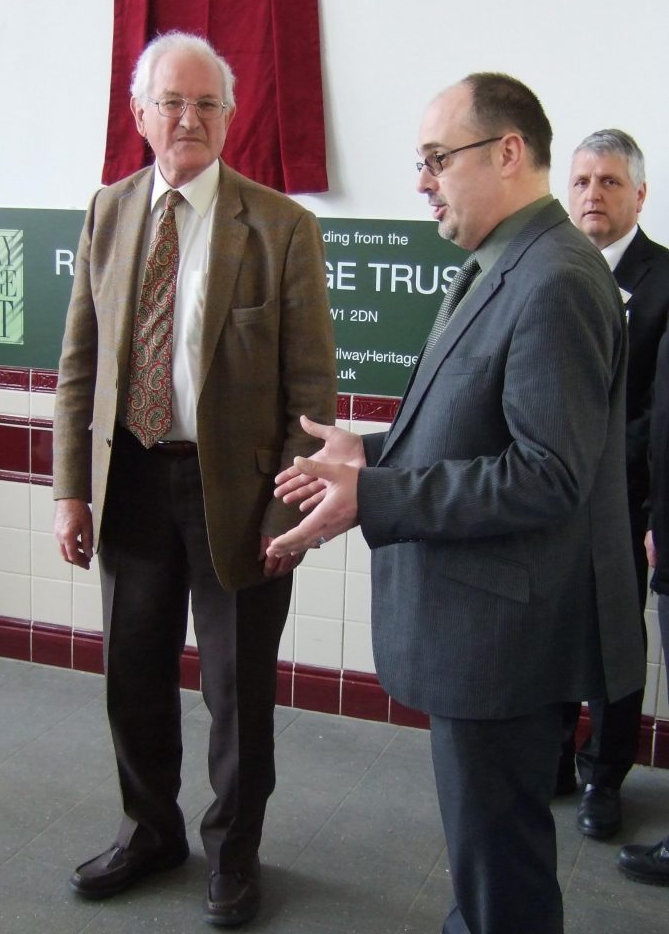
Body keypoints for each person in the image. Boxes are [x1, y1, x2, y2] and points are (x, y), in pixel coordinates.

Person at [267, 73, 645, 934]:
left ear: (508, 153)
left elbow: (547, 474)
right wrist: (371, 451)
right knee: (485, 856)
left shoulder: (555, 280)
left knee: (499, 862)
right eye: (421, 161)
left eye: (438, 158)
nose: (422, 179)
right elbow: (474, 426)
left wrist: (379, 493)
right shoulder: (500, 264)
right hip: (480, 626)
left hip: (503, 640)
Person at [52, 31, 336, 927]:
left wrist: (293, 506)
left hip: (240, 496)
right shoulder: (107, 209)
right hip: (130, 480)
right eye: (171, 102)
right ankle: (151, 830)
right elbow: (78, 363)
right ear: (139, 116)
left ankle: (234, 852)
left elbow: (310, 388)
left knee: (236, 691)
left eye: (206, 103)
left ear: (230, 115)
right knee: (131, 673)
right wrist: (71, 488)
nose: (189, 119)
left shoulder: (280, 225)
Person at [559, 130, 669, 839]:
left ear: (638, 194)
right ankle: (549, 760)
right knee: (550, 628)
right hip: (550, 495)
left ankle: (604, 774)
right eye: (580, 182)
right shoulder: (554, 268)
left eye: (606, 182)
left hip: (626, 502)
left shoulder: (663, 280)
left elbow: (659, 414)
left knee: (613, 642)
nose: (591, 195)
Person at [618, 315, 669, 884]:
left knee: (622, 639)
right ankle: (561, 764)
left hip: (641, 507)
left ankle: (603, 775)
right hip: (657, 518)